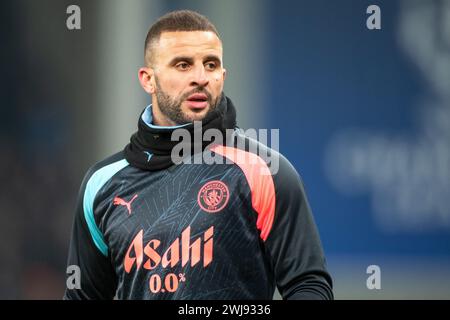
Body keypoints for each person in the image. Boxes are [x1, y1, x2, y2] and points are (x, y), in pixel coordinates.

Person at [64, 9, 333, 300]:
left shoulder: (264, 171)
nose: (200, 78)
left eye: (211, 65)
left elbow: (309, 287)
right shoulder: (100, 184)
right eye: (183, 65)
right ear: (147, 79)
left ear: (223, 75)